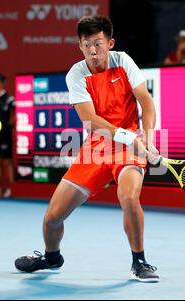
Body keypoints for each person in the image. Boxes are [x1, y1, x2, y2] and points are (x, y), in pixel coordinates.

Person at [14, 15, 160, 282]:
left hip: (128, 151)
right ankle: (51, 257)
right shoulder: (77, 74)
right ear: (79, 47)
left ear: (110, 43)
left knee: (128, 197)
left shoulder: (124, 62)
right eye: (87, 45)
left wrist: (147, 138)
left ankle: (139, 261)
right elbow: (90, 120)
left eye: (98, 44)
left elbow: (146, 102)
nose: (93, 51)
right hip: (96, 148)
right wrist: (131, 138)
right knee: (51, 219)